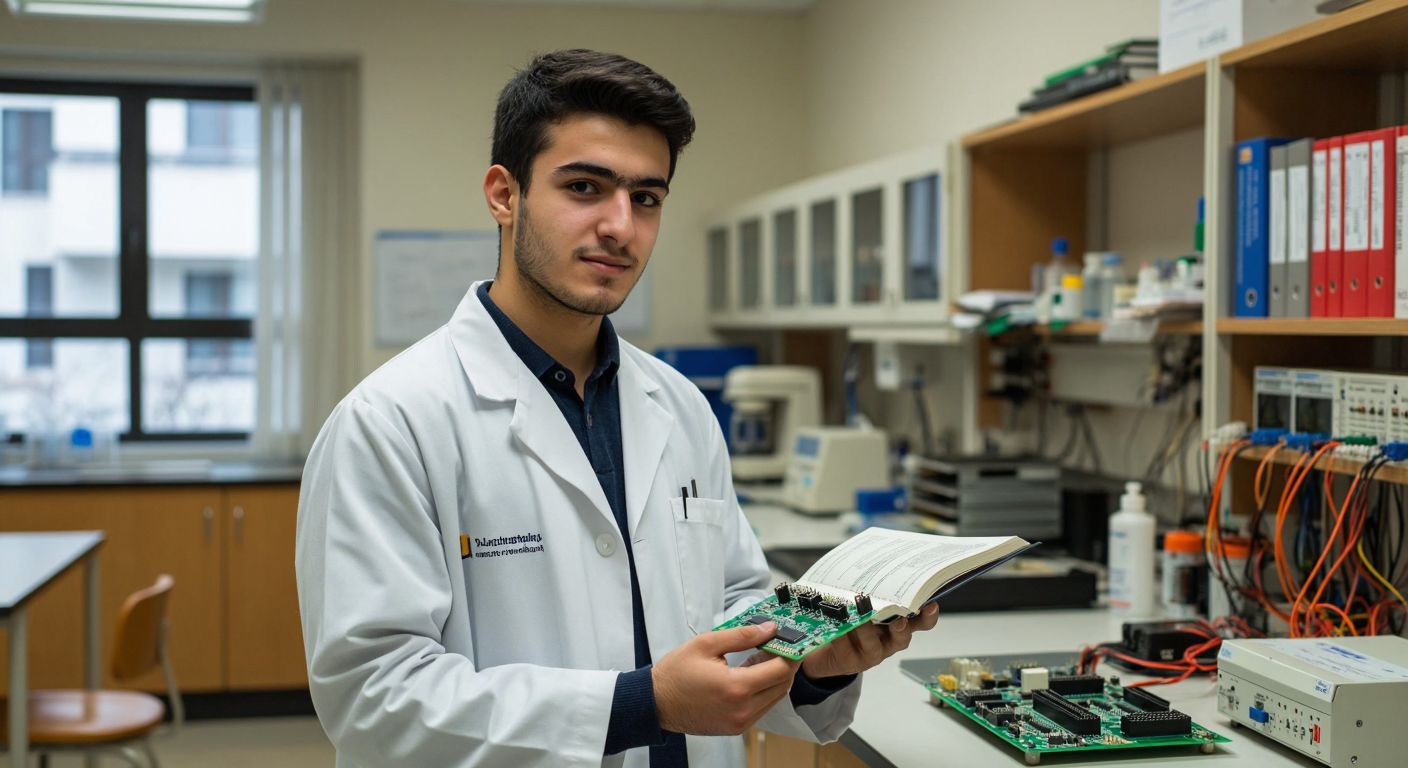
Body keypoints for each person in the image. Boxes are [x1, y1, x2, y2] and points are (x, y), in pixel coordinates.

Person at [295, 48, 939, 767]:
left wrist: (818, 665)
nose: (620, 226)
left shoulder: (681, 408)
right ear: (504, 195)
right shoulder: (390, 423)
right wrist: (643, 705)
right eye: (584, 187)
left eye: (647, 198)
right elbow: (373, 697)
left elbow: (732, 605)